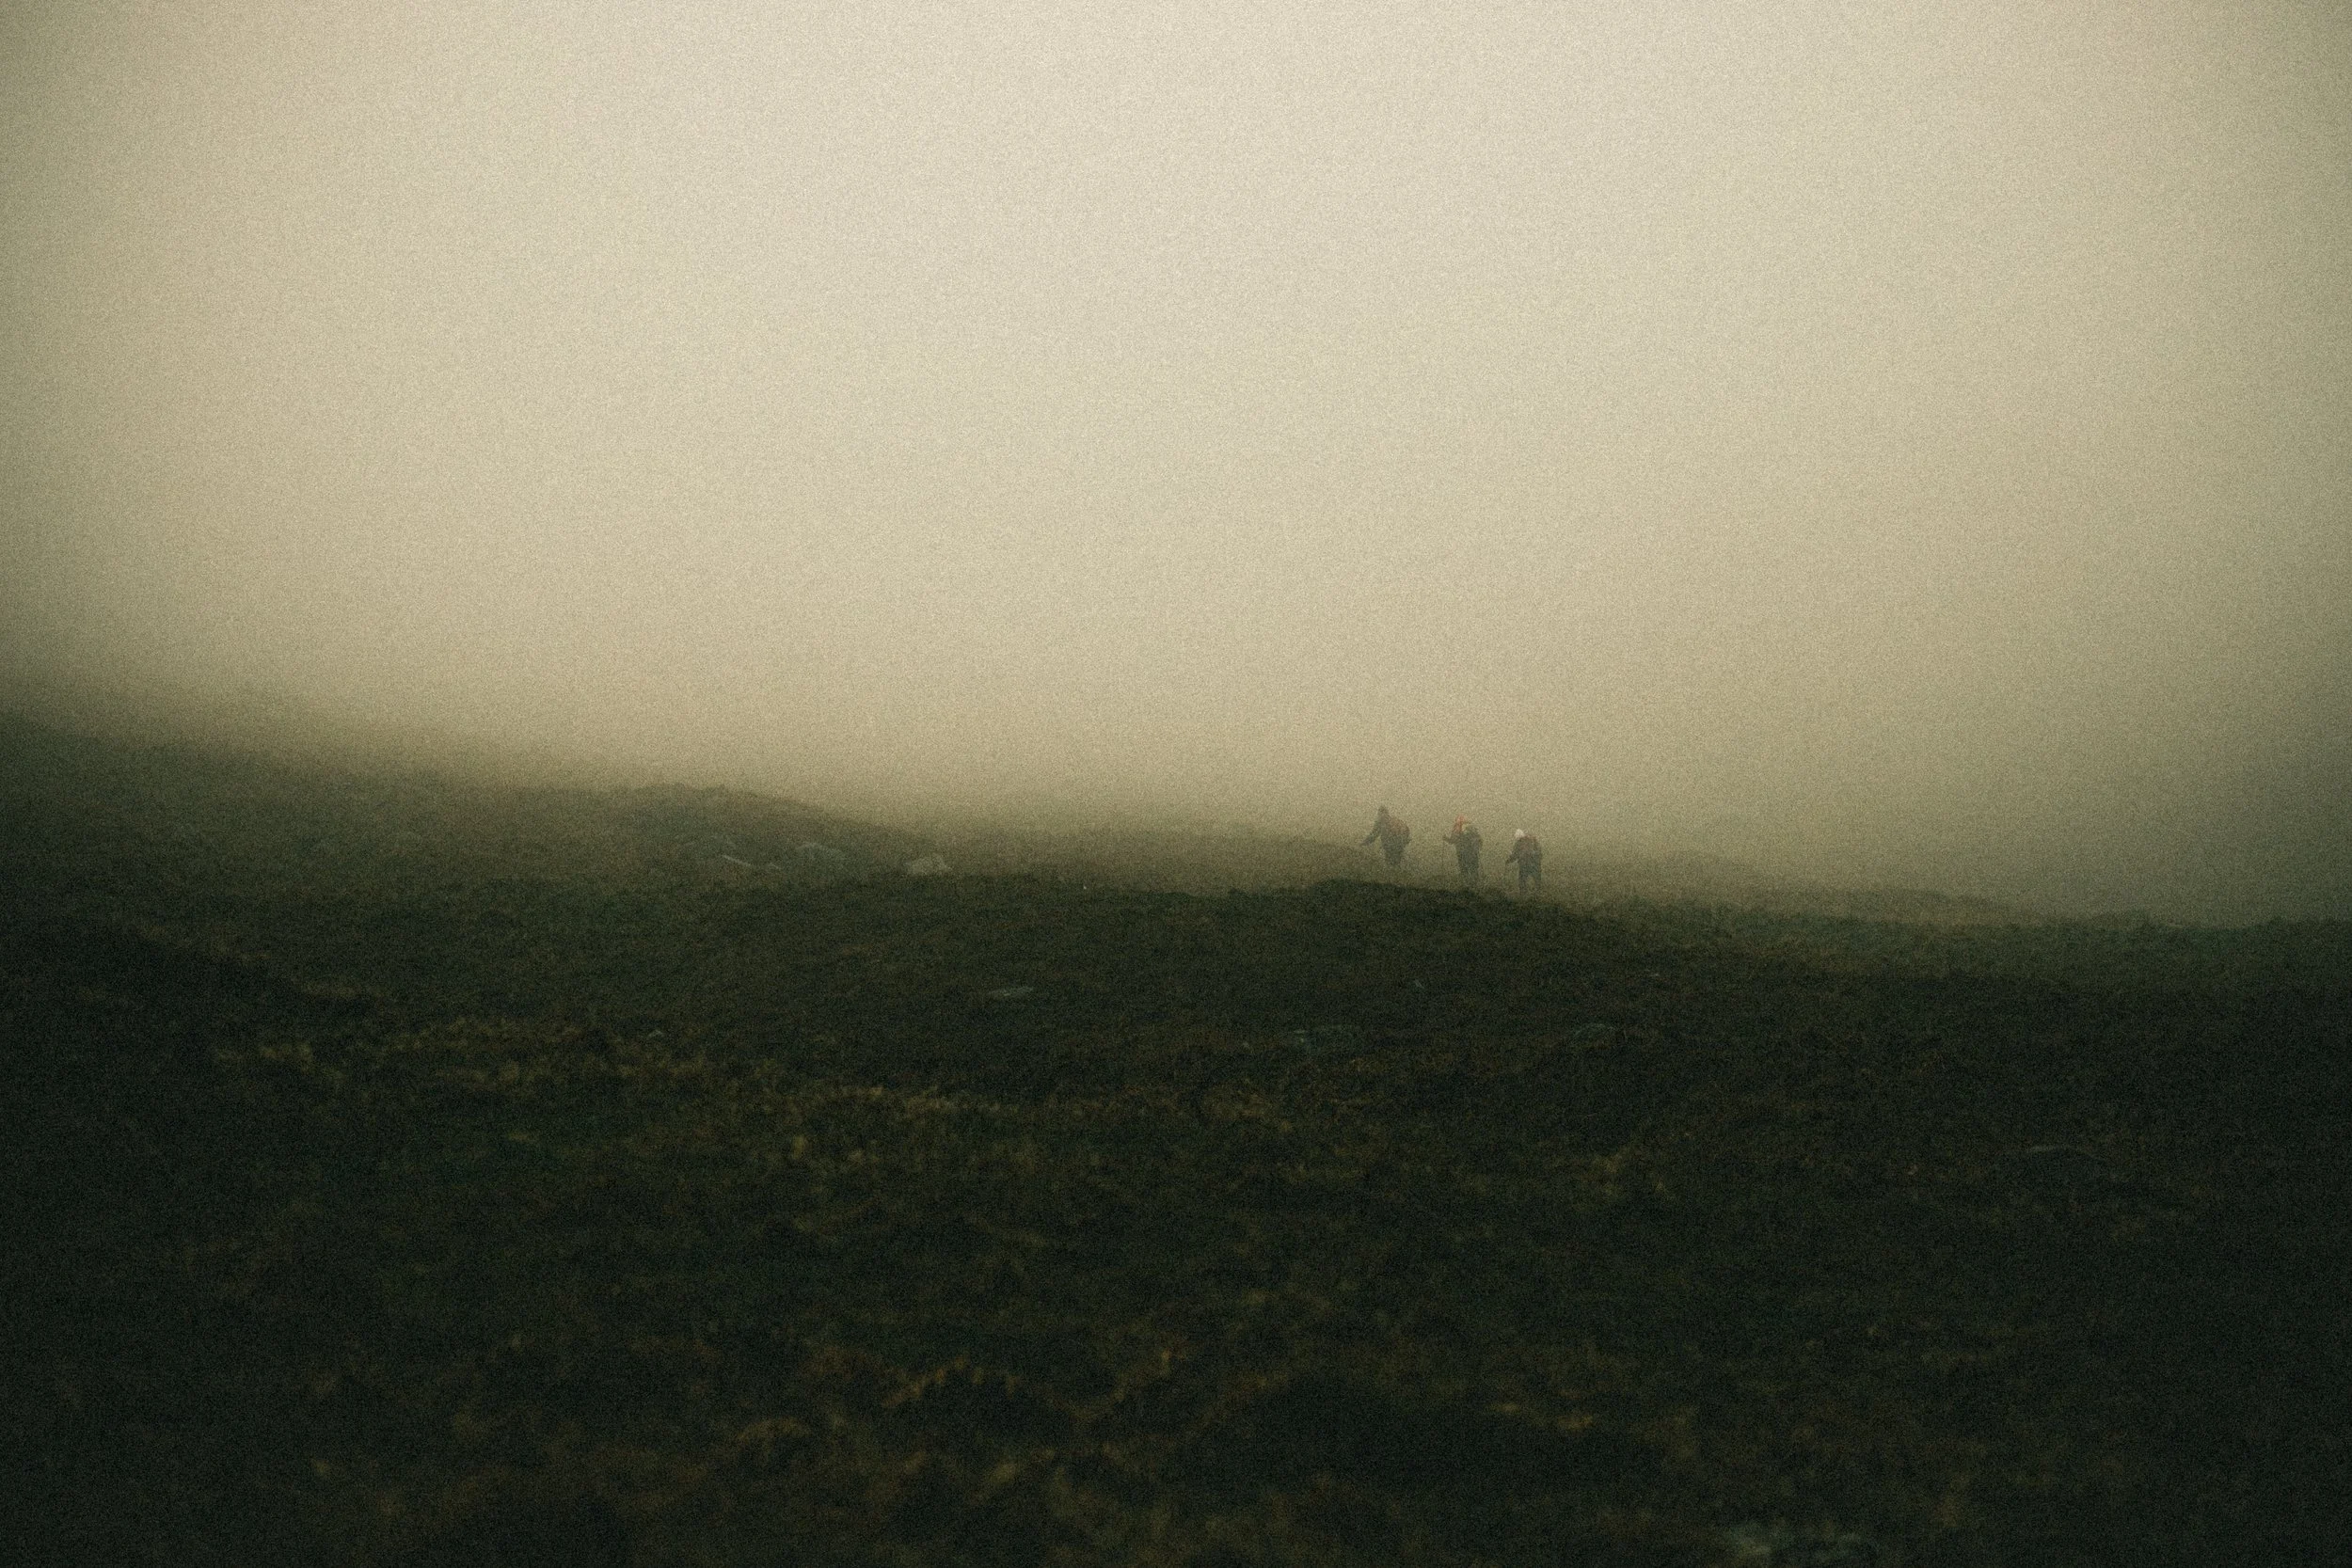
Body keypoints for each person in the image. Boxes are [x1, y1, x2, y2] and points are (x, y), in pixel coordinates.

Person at [1362, 806, 1411, 872]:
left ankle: (1392, 877)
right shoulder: (1394, 820)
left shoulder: (1381, 822)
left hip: (1389, 846)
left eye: (1379, 813)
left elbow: (1373, 836)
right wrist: (1404, 842)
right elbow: (1406, 831)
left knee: (1390, 864)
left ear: (1380, 813)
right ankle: (1398, 877)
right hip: (1399, 845)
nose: (1379, 815)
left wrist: (1363, 843)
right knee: (1396, 864)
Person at [1443, 816, 1483, 886]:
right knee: (1472, 868)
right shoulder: (1471, 829)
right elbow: (1479, 841)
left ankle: (1467, 883)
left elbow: (1453, 841)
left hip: (1462, 852)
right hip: (1471, 852)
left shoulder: (1457, 829)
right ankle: (1473, 884)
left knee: (1465, 868)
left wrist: (1446, 838)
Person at [1505, 829, 1543, 893]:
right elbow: (1540, 852)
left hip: (1524, 864)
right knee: (1537, 879)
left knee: (1522, 880)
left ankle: (1523, 894)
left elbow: (1515, 854)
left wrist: (1508, 860)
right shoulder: (1532, 840)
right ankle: (1538, 893)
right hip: (1534, 864)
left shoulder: (1518, 843)